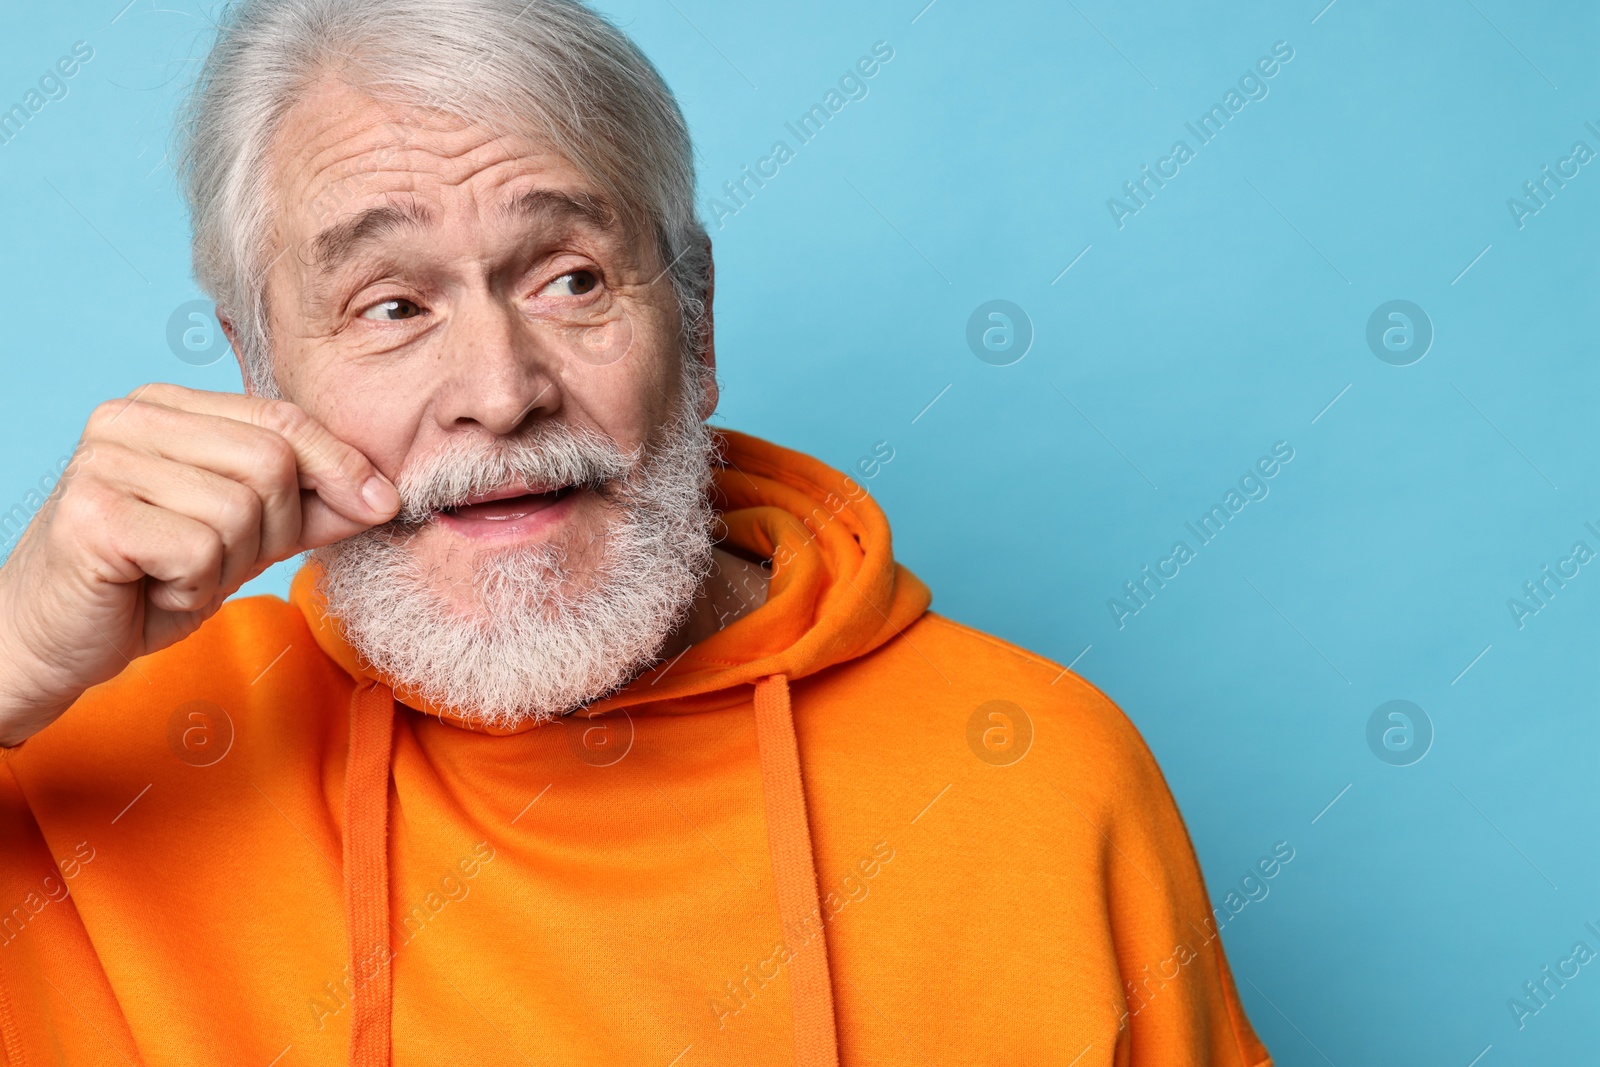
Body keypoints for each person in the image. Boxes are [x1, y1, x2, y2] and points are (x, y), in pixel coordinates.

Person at [0, 1, 1274, 1064]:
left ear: (698, 326)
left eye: (571, 278)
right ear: (260, 365)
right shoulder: (91, 769)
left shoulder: (1040, 779)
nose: (500, 391)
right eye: (390, 305)